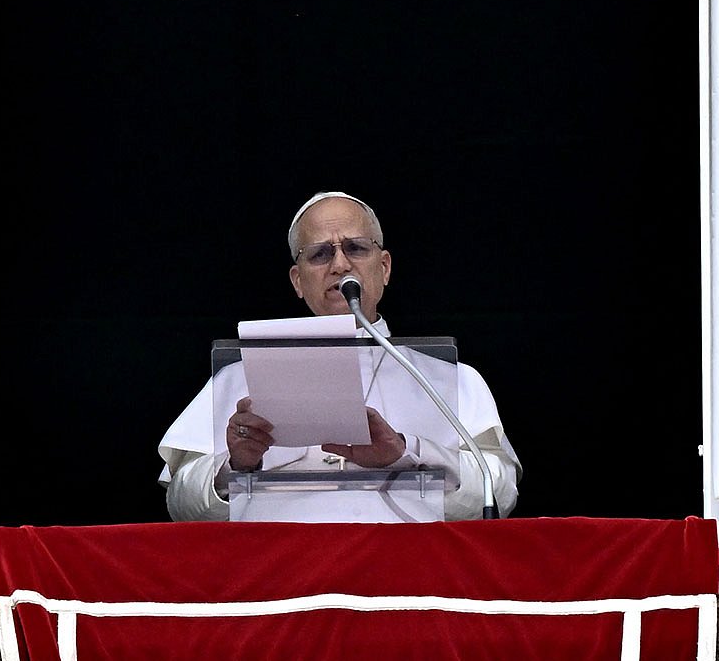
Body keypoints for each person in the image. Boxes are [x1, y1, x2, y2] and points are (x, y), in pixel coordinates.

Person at [157, 191, 521, 520]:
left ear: (385, 266)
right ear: (298, 281)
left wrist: (407, 454)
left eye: (357, 248)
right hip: (281, 581)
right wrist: (236, 465)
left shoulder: (451, 378)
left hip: (407, 581)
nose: (340, 264)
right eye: (320, 254)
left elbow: (498, 494)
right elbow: (182, 505)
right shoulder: (236, 379)